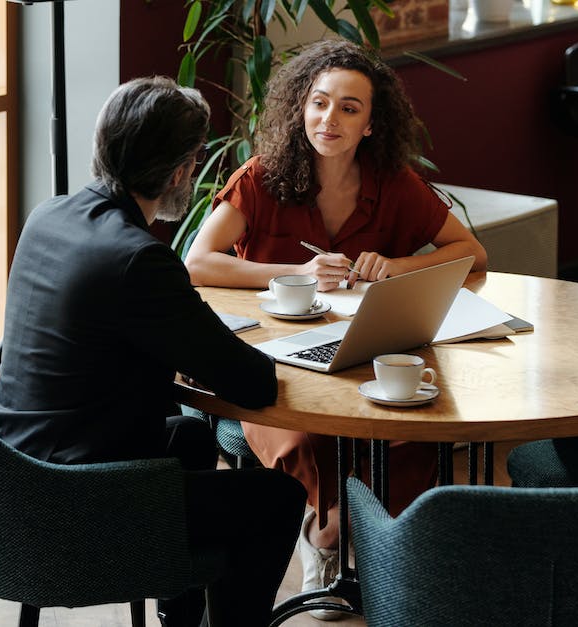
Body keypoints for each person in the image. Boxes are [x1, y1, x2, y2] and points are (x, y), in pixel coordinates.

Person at [0, 75, 307, 627]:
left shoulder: (49, 215)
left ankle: (178, 618)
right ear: (179, 172)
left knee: (191, 437)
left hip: (2, 471)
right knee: (275, 500)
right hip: (69, 501)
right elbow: (253, 383)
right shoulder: (137, 259)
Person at [183, 39, 488, 619]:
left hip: (364, 352)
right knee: (304, 438)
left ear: (372, 124)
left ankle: (350, 541)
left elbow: (471, 253)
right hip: (273, 361)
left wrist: (396, 266)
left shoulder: (392, 182)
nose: (330, 119)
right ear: (301, 108)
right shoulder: (262, 176)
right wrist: (294, 272)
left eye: (350, 108)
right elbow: (198, 262)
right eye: (320, 103)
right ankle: (330, 541)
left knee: (409, 430)